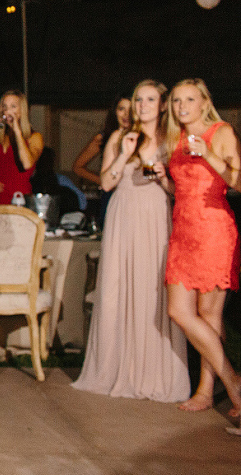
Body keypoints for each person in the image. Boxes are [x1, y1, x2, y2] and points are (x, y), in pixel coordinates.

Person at [73, 80, 189, 402]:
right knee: (117, 289)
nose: (143, 105)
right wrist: (124, 154)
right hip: (123, 217)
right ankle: (114, 368)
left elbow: (181, 193)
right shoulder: (120, 137)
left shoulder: (172, 139)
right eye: (139, 99)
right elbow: (107, 183)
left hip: (155, 217)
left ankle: (154, 371)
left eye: (150, 99)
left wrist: (165, 178)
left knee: (151, 291)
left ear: (163, 104)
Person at [163, 79, 241, 420]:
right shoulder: (174, 138)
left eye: (189, 100)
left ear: (203, 102)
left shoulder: (220, 132)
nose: (181, 107)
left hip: (213, 230)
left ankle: (207, 390)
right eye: (177, 100)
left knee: (209, 316)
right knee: (179, 312)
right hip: (182, 231)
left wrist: (208, 154)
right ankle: (234, 382)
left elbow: (238, 181)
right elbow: (181, 186)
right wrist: (159, 180)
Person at [0, 89, 44, 205]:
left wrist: (17, 130)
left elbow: (27, 164)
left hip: (20, 201)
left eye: (13, 107)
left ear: (22, 110)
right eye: (5, 107)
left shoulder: (34, 137)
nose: (8, 111)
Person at [72, 97, 132, 186]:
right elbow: (78, 167)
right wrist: (103, 181)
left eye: (131, 110)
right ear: (115, 112)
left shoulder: (145, 137)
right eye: (121, 109)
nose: (126, 114)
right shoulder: (103, 137)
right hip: (113, 193)